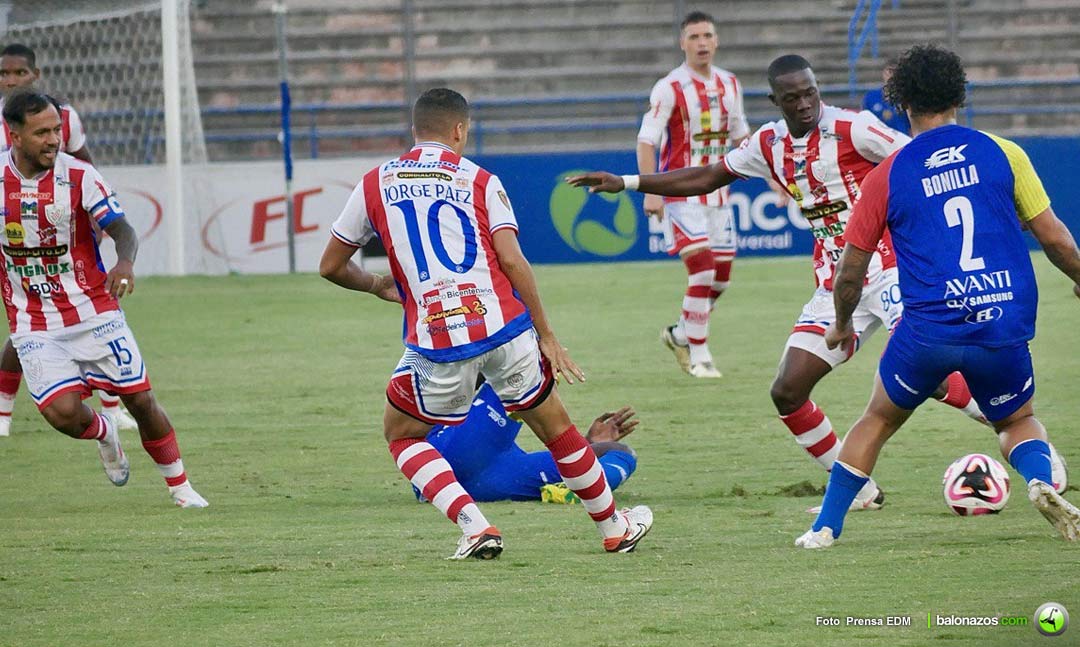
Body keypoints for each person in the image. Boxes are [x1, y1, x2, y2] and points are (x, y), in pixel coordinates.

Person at [569, 54, 989, 512]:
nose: (806, 103)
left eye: (810, 92)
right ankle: (860, 491)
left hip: (893, 266)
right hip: (836, 282)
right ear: (776, 101)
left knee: (920, 370)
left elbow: (920, 159)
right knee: (787, 391)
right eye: (793, 97)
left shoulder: (856, 128)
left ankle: (1010, 423)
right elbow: (708, 175)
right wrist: (628, 182)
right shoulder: (768, 143)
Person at [320, 88, 652, 559]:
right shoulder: (481, 180)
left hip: (436, 338)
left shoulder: (374, 183)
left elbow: (331, 266)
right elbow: (513, 262)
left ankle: (475, 527)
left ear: (415, 130)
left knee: (402, 435)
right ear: (460, 130)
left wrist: (379, 286)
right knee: (558, 429)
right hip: (504, 327)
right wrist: (547, 335)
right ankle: (614, 529)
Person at [797, 44, 1080, 548]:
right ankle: (1039, 480)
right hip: (1001, 323)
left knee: (878, 420)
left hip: (928, 331)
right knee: (1017, 419)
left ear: (902, 102)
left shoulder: (888, 173)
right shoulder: (1003, 152)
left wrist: (841, 323)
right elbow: (1054, 237)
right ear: (959, 95)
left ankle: (825, 528)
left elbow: (851, 272)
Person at [0, 91, 207, 508]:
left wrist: (125, 262)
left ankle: (180, 487)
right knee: (61, 414)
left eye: (57, 130)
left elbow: (123, 228)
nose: (53, 139)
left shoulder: (79, 177)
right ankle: (105, 432)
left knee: (141, 400)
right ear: (15, 135)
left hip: (96, 312)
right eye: (41, 132)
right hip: (33, 321)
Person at [0, 43, 136, 437]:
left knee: (94, 314)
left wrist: (91, 208)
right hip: (12, 233)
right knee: (27, 326)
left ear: (34, 75)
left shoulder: (65, 117)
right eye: (4, 74)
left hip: (59, 222)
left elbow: (83, 162)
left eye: (18, 74)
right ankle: (5, 415)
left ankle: (113, 406)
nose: (10, 80)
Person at [637, 11, 750, 378]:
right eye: (694, 37)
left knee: (721, 279)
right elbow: (646, 139)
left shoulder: (730, 84)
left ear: (716, 41)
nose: (702, 43)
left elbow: (740, 138)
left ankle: (681, 334)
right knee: (701, 270)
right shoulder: (669, 87)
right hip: (680, 192)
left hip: (718, 196)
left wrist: (777, 178)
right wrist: (651, 188)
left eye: (707, 36)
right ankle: (700, 356)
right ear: (682, 43)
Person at [416, 381, 639, 503]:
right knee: (518, 374)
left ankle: (575, 482)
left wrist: (586, 445)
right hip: (471, 469)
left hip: (482, 476)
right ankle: (581, 486)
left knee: (619, 450)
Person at [861, 58, 911, 135]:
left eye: (895, 72)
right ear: (883, 73)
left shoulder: (907, 97)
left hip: (902, 143)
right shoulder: (871, 97)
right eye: (889, 71)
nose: (892, 76)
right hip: (878, 143)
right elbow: (864, 124)